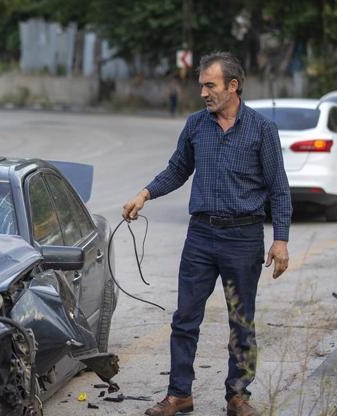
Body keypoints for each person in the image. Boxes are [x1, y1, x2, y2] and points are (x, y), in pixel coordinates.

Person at [122, 52, 291, 416]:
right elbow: (177, 169)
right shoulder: (196, 125)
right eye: (201, 85)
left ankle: (237, 396)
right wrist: (145, 193)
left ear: (233, 86)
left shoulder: (262, 130)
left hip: (244, 238)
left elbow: (279, 189)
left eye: (209, 85)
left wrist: (280, 240)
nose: (202, 92)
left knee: (241, 320)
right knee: (185, 318)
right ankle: (179, 393)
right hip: (200, 236)